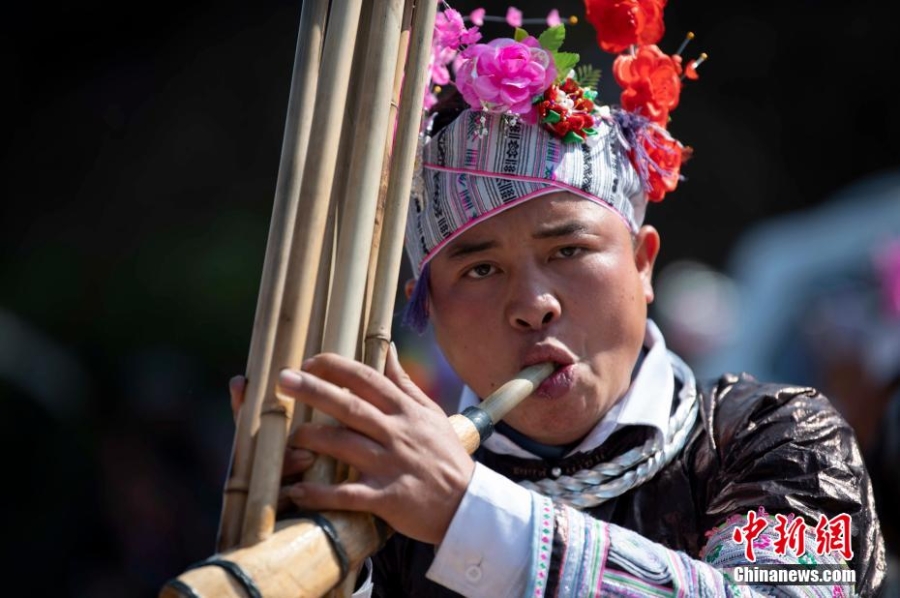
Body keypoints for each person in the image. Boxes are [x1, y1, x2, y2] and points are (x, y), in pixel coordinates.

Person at [231, 5, 885, 596]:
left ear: (642, 262)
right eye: (481, 269)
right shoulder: (386, 504)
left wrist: (467, 515)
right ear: (426, 303)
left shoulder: (782, 437)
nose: (534, 304)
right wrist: (295, 520)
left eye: (568, 252)